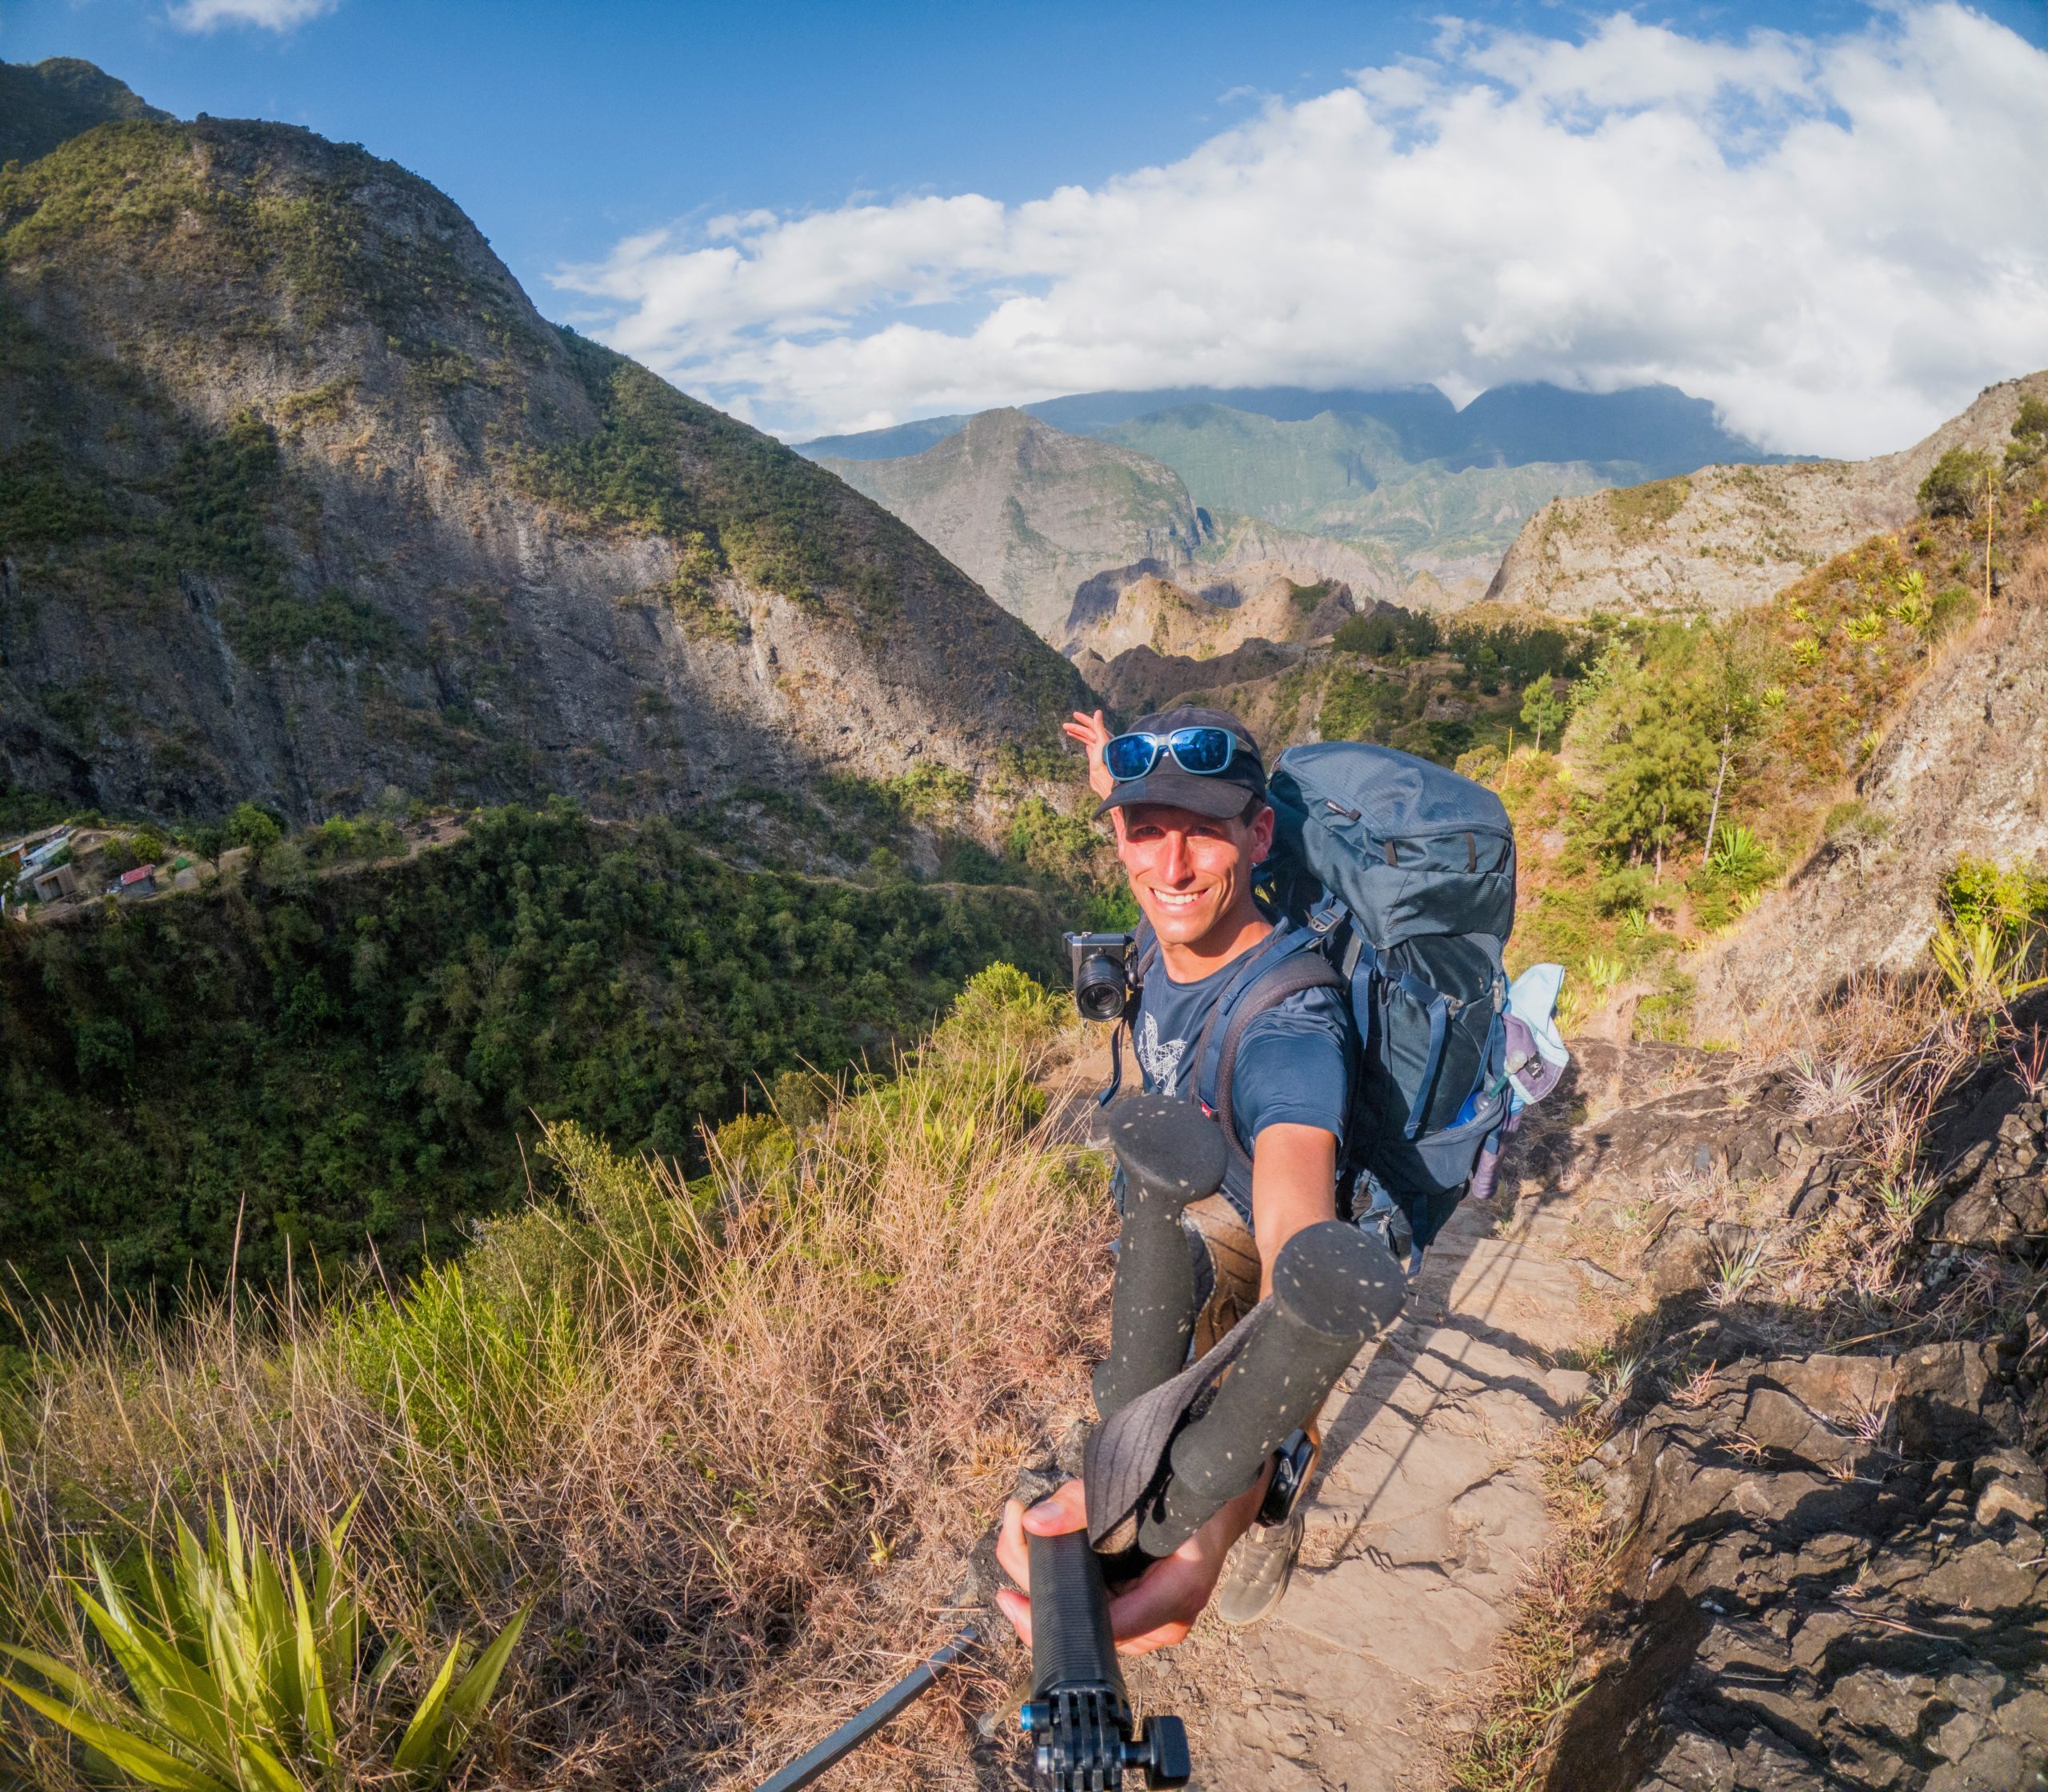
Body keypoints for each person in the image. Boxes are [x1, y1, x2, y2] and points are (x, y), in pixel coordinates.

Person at [995, 703, 1355, 1654]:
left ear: (1260, 833)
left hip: (1236, 1240)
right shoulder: (1163, 922)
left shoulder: (1290, 1027)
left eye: (1204, 831)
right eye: (1146, 832)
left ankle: (1271, 1508)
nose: (1173, 866)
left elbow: (1293, 1247)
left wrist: (1203, 1540)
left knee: (1237, 1410)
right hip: (1171, 1212)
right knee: (1141, 1385)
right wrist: (1111, 779)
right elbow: (1149, 830)